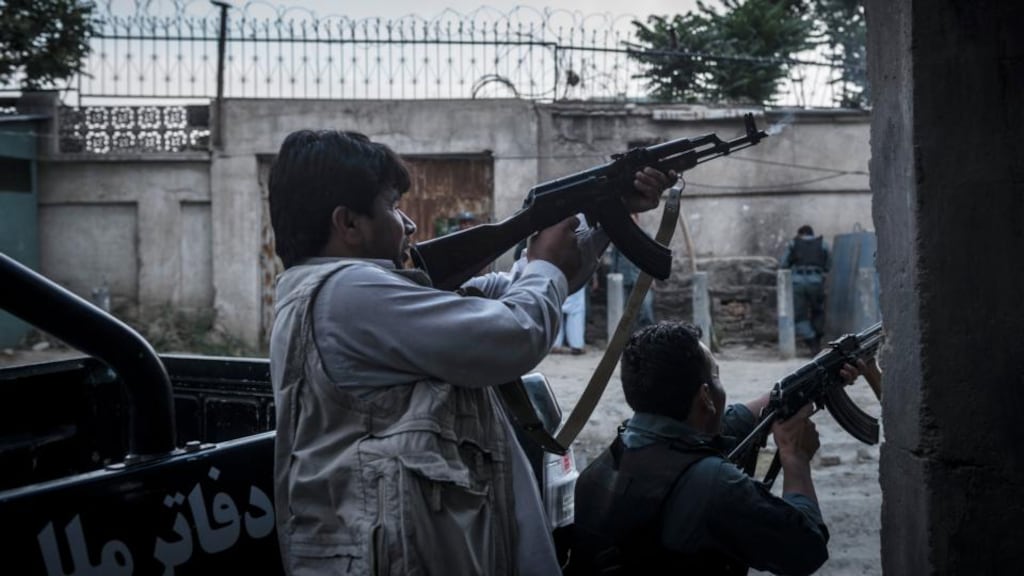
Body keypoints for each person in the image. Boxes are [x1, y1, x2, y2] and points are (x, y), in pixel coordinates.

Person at [267, 129, 671, 576]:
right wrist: (545, 264)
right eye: (393, 206)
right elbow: (515, 332)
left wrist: (600, 218)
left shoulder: (354, 294)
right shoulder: (346, 293)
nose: (410, 225)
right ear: (348, 224)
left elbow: (515, 295)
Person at [571, 320, 872, 576]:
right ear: (705, 397)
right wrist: (795, 456)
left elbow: (737, 419)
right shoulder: (714, 485)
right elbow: (806, 549)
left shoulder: (600, 470)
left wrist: (815, 372)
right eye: (717, 376)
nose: (720, 385)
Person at [781, 225, 831, 353]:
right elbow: (829, 264)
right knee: (818, 311)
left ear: (800, 234)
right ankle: (818, 337)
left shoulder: (793, 243)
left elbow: (784, 264)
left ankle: (812, 340)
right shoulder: (823, 244)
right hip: (816, 281)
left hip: (797, 282)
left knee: (798, 315)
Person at [607, 241, 655, 329]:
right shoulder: (619, 238)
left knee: (646, 309)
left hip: (642, 279)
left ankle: (648, 335)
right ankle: (626, 338)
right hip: (623, 280)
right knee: (625, 312)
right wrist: (613, 280)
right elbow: (614, 259)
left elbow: (651, 258)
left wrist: (652, 278)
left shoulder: (645, 236)